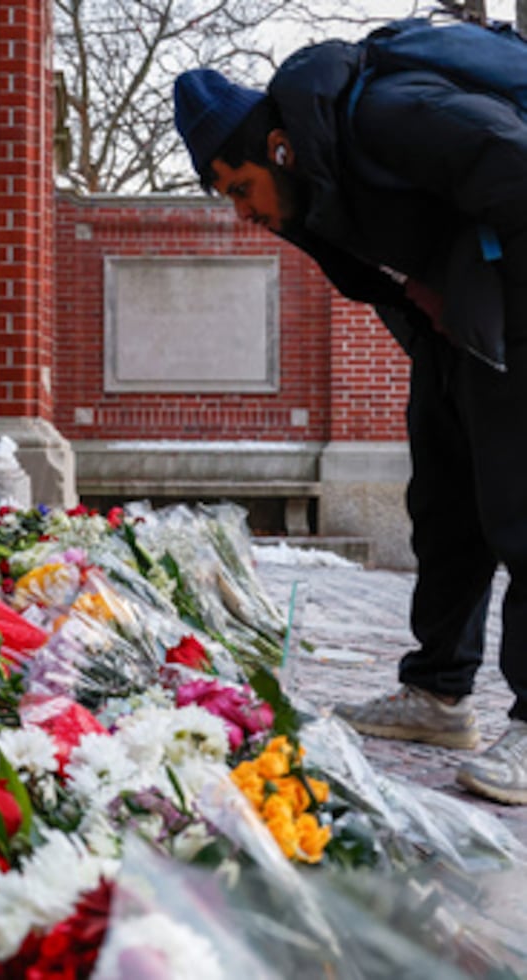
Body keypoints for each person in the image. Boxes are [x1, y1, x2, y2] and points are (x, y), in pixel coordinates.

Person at [173, 22, 527, 805]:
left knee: (521, 506)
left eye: (239, 189)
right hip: (457, 321)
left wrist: (489, 299)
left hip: (510, 299)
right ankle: (438, 695)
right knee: (445, 503)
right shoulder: (310, 194)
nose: (243, 214)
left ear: (275, 148)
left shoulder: (385, 116)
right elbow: (381, 271)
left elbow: (515, 165)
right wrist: (433, 304)